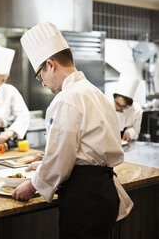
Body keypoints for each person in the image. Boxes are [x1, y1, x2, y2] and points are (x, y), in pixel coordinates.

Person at [12, 22, 133, 239]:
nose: (43, 83)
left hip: (84, 198)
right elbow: (85, 150)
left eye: (40, 75)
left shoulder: (67, 99)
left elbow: (61, 158)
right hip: (103, 193)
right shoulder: (96, 93)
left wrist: (31, 186)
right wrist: (44, 164)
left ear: (50, 64)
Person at [113, 74, 143, 142]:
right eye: (117, 103)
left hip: (126, 143)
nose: (119, 108)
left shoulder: (137, 110)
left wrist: (129, 133)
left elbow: (136, 130)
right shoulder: (107, 103)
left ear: (129, 105)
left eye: (123, 106)